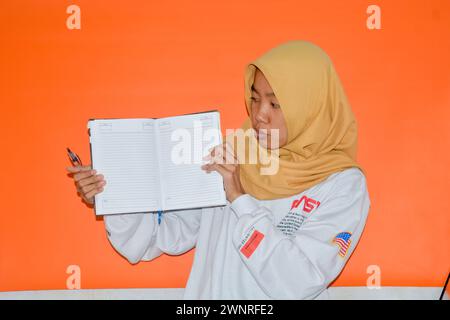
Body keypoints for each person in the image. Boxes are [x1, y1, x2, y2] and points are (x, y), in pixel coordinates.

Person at [66, 40, 371, 299]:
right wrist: (114, 195)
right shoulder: (231, 154)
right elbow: (161, 237)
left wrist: (239, 197)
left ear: (312, 106)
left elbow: (298, 281)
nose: (259, 116)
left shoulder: (342, 185)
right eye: (253, 99)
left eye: (275, 105)